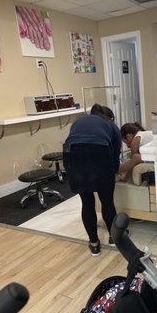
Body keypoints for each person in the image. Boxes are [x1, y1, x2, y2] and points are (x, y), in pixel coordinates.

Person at [64, 104, 121, 256]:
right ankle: (114, 238)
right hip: (100, 156)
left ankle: (94, 244)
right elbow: (115, 154)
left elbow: (72, 143)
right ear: (109, 116)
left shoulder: (78, 122)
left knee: (87, 202)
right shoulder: (111, 125)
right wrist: (114, 172)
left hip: (73, 158)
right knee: (107, 202)